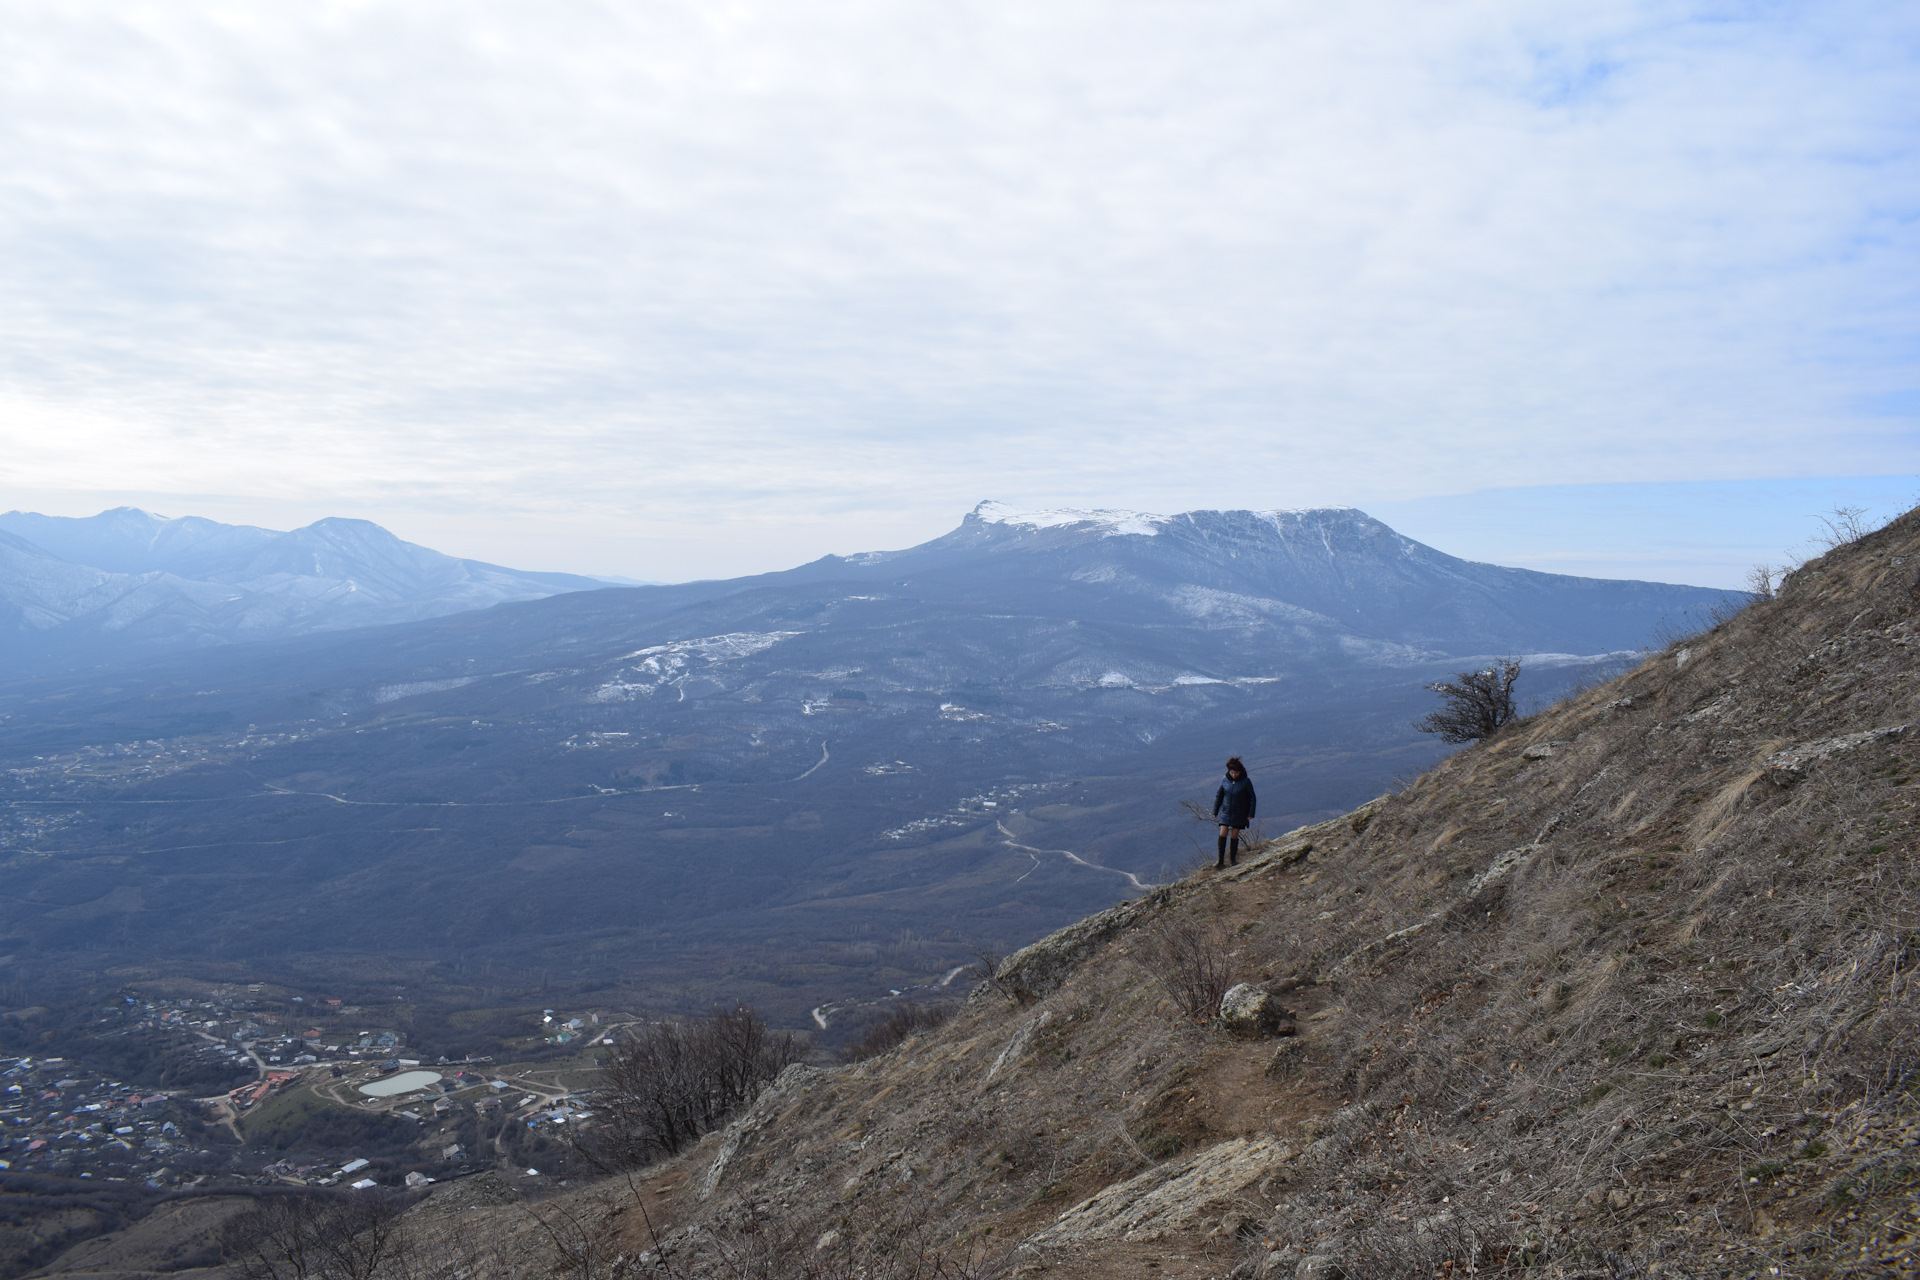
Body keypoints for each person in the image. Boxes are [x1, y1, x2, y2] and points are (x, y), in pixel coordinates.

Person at [1212, 757, 1256, 868]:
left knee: (1234, 835)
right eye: (1232, 772)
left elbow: (1252, 797)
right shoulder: (1224, 779)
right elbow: (1219, 795)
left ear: (1240, 772)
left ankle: (1232, 860)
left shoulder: (1246, 781)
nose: (1234, 775)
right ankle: (1220, 860)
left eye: (1236, 772)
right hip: (1226, 811)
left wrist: (1251, 813)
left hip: (1240, 812)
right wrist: (1215, 810)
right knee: (1223, 832)